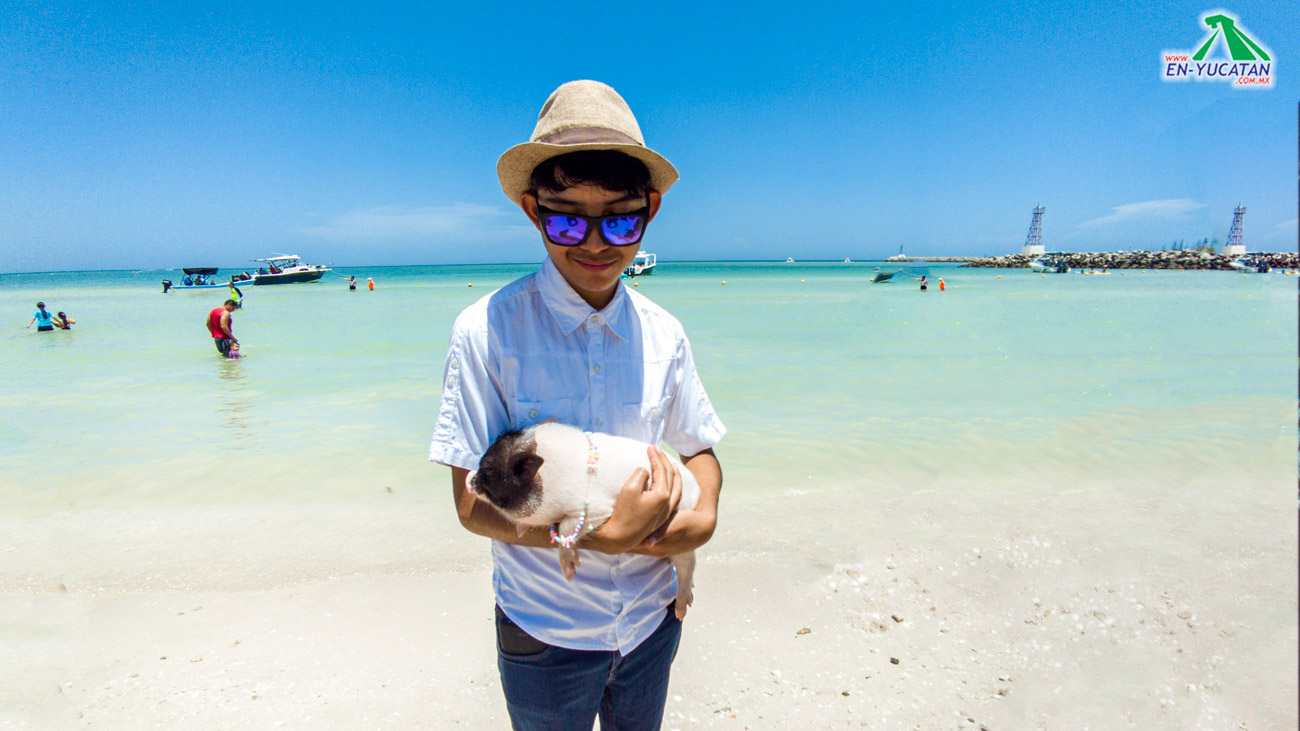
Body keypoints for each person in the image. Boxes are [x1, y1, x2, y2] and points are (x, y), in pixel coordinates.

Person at [428, 80, 724, 731]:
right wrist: (598, 537)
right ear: (533, 212)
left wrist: (703, 516)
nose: (594, 243)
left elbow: (698, 447)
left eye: (619, 219)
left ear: (650, 210)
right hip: (544, 633)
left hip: (650, 623)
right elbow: (472, 506)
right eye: (567, 220)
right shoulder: (485, 332)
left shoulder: (665, 332)